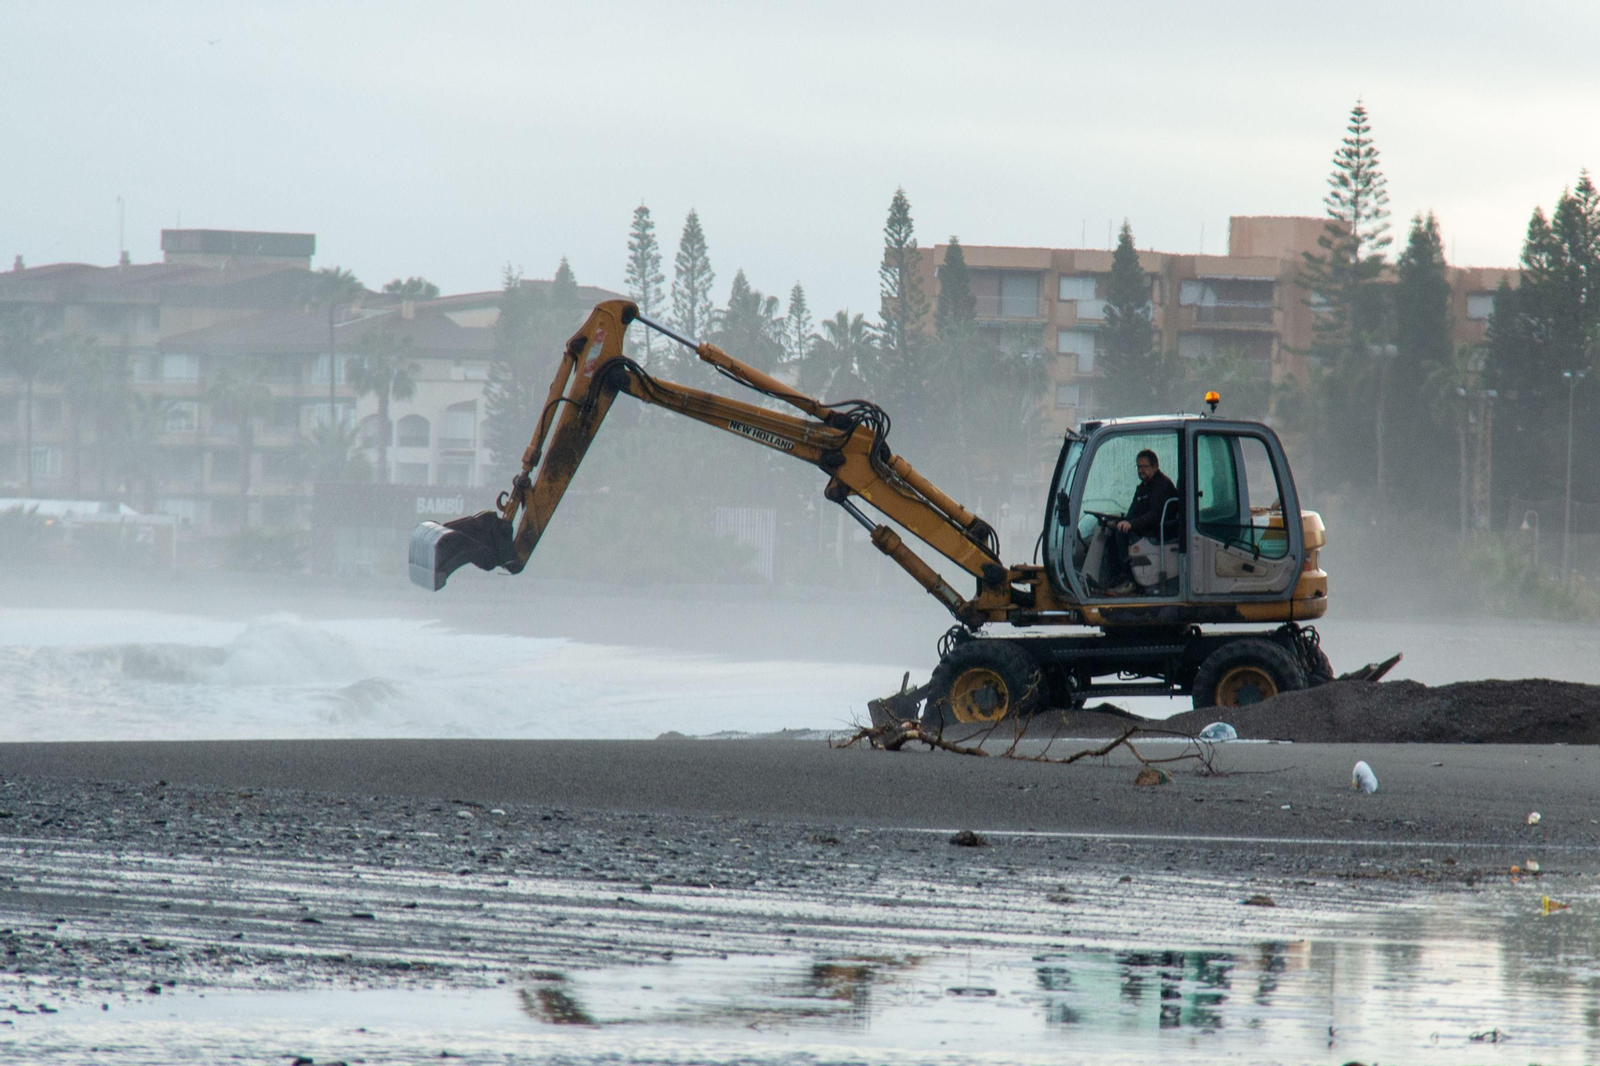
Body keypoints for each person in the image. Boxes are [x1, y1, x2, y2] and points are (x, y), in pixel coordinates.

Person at [1105, 449, 1179, 594]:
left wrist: (1131, 524)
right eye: (1139, 467)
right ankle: (1118, 577)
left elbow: (1154, 515)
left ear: (1155, 466)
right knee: (1111, 533)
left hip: (1158, 530)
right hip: (1147, 526)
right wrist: (1120, 521)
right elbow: (1135, 511)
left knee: (1121, 535)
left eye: (1145, 467)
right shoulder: (1144, 486)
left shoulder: (1161, 485)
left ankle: (1130, 581)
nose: (1141, 470)